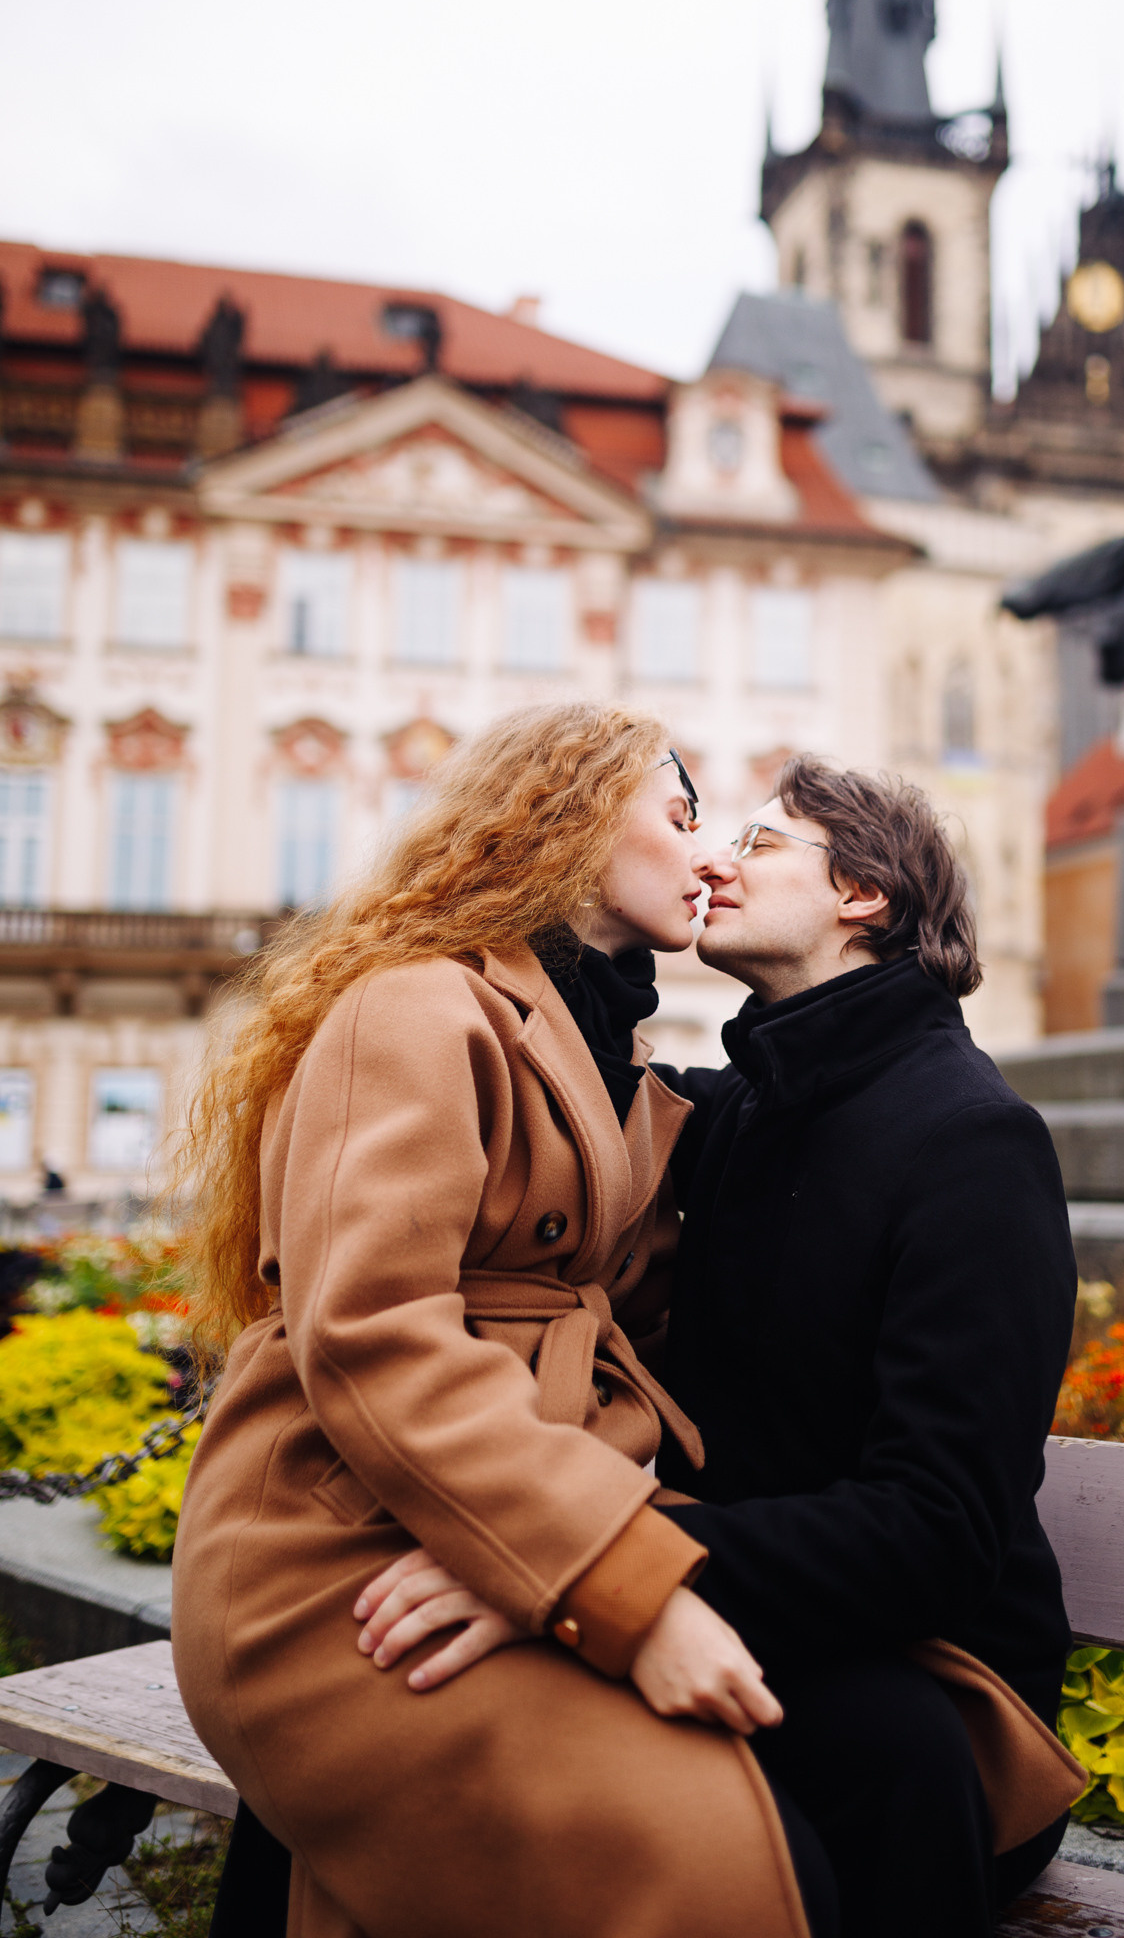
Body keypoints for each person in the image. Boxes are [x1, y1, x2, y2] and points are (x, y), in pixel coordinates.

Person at [350, 755, 1083, 1938]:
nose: (716, 863)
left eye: (759, 842)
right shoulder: (750, 1104)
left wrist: (583, 1567)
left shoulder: (971, 1140)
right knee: (399, 1708)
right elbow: (561, 1095)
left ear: (864, 896)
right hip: (729, 1615)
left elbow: (936, 1533)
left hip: (939, 1693)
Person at [173, 704, 816, 1938]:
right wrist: (621, 1588)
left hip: (493, 1521)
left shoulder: (610, 1050)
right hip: (332, 1547)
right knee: (687, 1845)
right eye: (682, 815)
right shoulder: (418, 1004)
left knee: (881, 1762)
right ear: (574, 820)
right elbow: (373, 1334)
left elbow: (634, 1333)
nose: (710, 855)